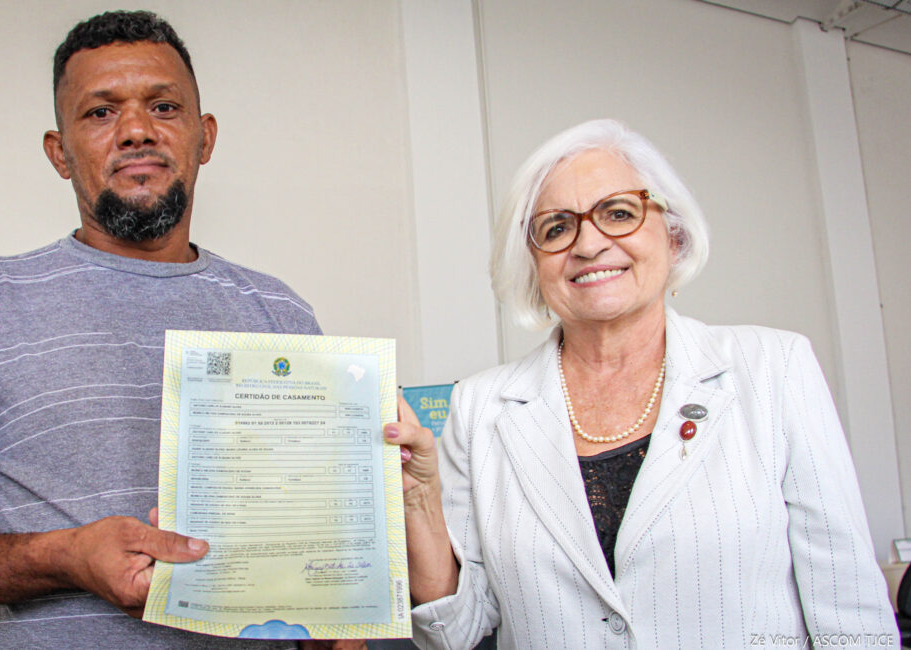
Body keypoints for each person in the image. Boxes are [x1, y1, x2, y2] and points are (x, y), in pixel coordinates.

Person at [0, 11, 324, 649]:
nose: (136, 131)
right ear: (59, 152)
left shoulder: (284, 316)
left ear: (204, 136)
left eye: (164, 106)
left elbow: (318, 546)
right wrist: (64, 557)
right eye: (101, 113)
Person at [385, 119, 899, 648]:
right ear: (532, 264)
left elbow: (849, 609)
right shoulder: (480, 406)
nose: (588, 244)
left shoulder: (774, 367)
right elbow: (455, 634)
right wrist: (419, 499)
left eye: (619, 213)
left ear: (673, 235)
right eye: (557, 228)